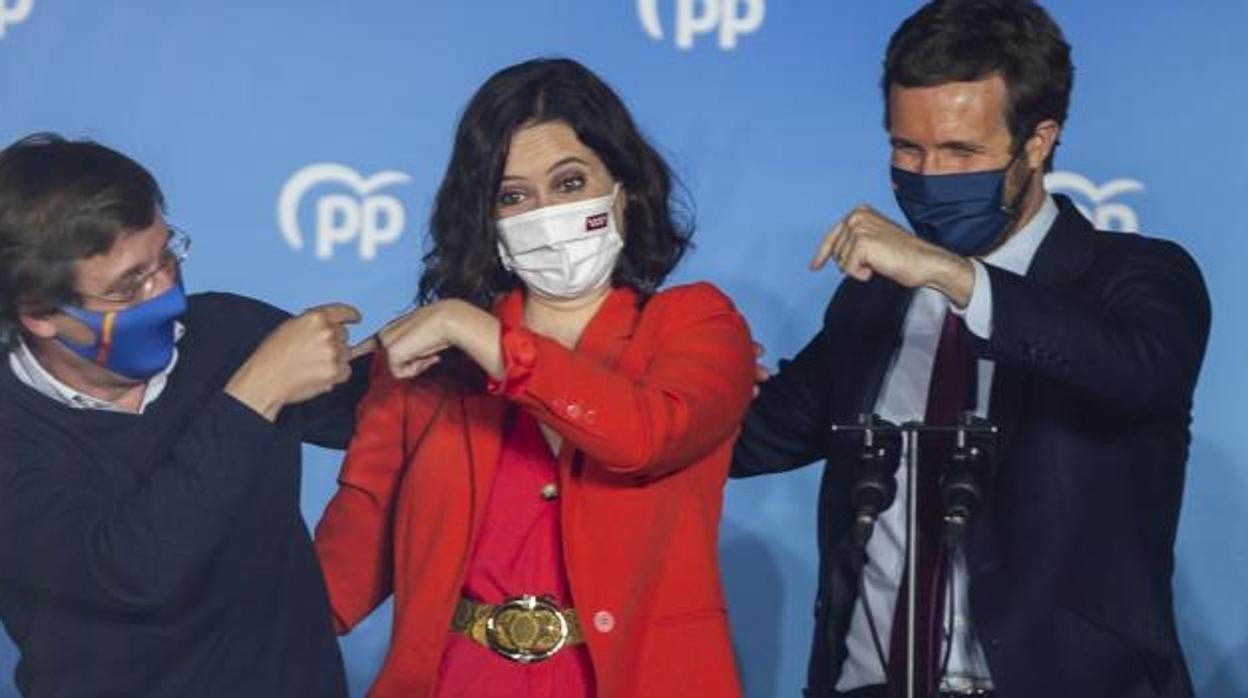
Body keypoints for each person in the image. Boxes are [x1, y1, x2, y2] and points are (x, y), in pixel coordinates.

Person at [731, 2, 1210, 697]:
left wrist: (953, 276)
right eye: (907, 149)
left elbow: (1137, 371)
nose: (929, 176)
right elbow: (753, 438)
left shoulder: (1136, 277)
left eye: (961, 152)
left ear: (1038, 141)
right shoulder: (873, 298)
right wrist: (674, 376)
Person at [314, 57, 755, 698]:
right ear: (488, 220)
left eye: (570, 183)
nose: (544, 213)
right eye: (514, 196)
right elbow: (347, 563)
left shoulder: (695, 323)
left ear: (624, 189)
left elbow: (645, 437)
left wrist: (478, 332)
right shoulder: (431, 363)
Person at [0, 134, 376, 697]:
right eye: (130, 286)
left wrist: (446, 333)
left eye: (167, 258)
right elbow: (130, 571)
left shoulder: (230, 331)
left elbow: (379, 417)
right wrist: (256, 391)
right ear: (39, 313)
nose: (169, 295)